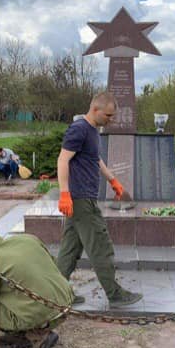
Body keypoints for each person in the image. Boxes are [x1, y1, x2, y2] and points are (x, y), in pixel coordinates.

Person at [55, 91, 142, 307]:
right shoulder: (79, 129)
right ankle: (115, 294)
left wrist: (113, 180)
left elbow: (95, 159)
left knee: (69, 250)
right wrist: (64, 193)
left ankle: (55, 293)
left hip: (83, 198)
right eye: (109, 115)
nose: (111, 120)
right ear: (96, 110)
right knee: (100, 245)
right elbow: (63, 160)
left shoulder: (93, 130)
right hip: (81, 199)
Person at [0, 220, 74, 348]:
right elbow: (53, 263)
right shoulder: (27, 239)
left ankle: (37, 336)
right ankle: (32, 331)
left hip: (42, 312)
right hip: (65, 303)